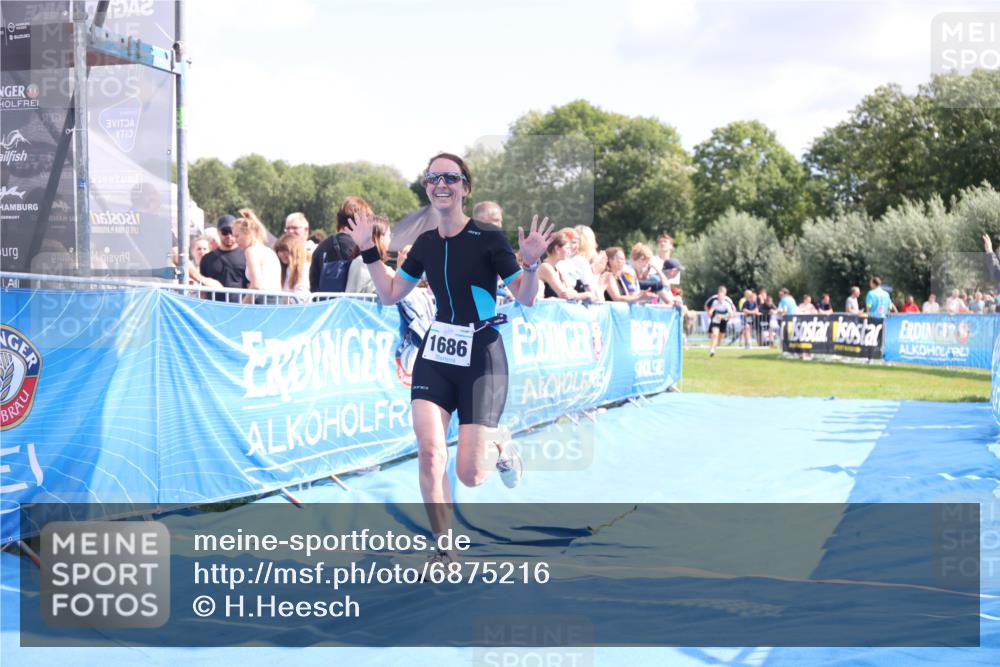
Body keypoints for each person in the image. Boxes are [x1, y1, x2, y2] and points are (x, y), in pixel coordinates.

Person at [346, 152, 551, 565]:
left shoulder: (489, 238)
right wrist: (369, 250)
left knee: (470, 475)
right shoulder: (422, 243)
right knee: (431, 452)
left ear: (465, 187)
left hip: (482, 357)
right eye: (433, 177)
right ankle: (444, 549)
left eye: (450, 177)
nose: (441, 183)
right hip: (437, 353)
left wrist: (531, 263)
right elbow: (389, 295)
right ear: (427, 187)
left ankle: (501, 444)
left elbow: (527, 297)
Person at [310, 197, 365, 292]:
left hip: (324, 305)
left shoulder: (320, 247)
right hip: (351, 305)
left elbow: (313, 284)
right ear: (361, 220)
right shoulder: (361, 247)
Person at [233, 211, 281, 302]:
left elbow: (256, 285)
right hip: (276, 300)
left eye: (237, 236)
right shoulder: (269, 251)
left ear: (248, 233)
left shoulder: (251, 251)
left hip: (263, 301)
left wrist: (242, 305)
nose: (235, 240)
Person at [199, 215, 247, 302]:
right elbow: (203, 289)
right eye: (225, 231)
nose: (229, 235)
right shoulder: (207, 259)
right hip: (214, 307)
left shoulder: (246, 255)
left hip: (240, 307)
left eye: (231, 231)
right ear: (218, 232)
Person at [345, 215, 391, 294]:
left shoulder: (361, 261)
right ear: (380, 237)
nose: (390, 238)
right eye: (389, 235)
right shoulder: (362, 262)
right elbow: (374, 291)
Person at [538, 231, 590, 300]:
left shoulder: (557, 270)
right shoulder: (546, 267)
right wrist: (588, 294)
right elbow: (564, 294)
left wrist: (573, 293)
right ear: (557, 249)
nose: (569, 252)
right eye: (567, 248)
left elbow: (571, 291)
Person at [273, 232, 311, 303]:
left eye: (285, 250)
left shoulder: (304, 267)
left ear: (295, 250)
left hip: (300, 310)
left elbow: (302, 295)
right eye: (279, 250)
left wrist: (288, 303)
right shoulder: (286, 269)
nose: (281, 253)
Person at [705, 285, 736, 357]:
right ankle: (712, 350)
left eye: (721, 297)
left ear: (724, 297)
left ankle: (715, 346)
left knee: (720, 337)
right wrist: (710, 312)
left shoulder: (727, 303)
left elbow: (731, 314)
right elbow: (711, 308)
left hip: (724, 320)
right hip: (716, 320)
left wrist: (723, 316)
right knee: (715, 334)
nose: (720, 299)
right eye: (719, 297)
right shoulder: (715, 301)